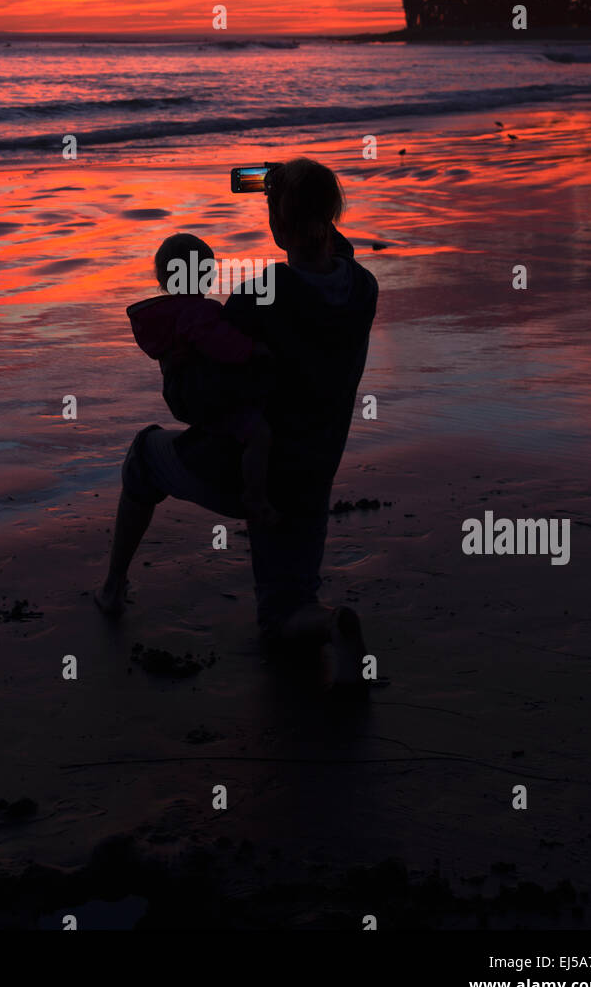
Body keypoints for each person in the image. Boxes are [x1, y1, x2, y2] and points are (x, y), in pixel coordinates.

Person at [96, 158, 379, 687]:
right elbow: (338, 251)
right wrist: (296, 193)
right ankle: (331, 625)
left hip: (251, 475)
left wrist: (173, 358)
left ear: (277, 225)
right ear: (331, 217)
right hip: (314, 473)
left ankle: (113, 588)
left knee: (144, 456)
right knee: (289, 606)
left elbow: (194, 403)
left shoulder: (259, 297)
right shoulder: (363, 291)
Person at [126, 233, 278, 525]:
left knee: (227, 424)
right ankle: (254, 496)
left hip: (180, 392)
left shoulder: (168, 315)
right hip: (201, 392)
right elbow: (219, 342)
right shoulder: (198, 312)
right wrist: (253, 349)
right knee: (257, 433)